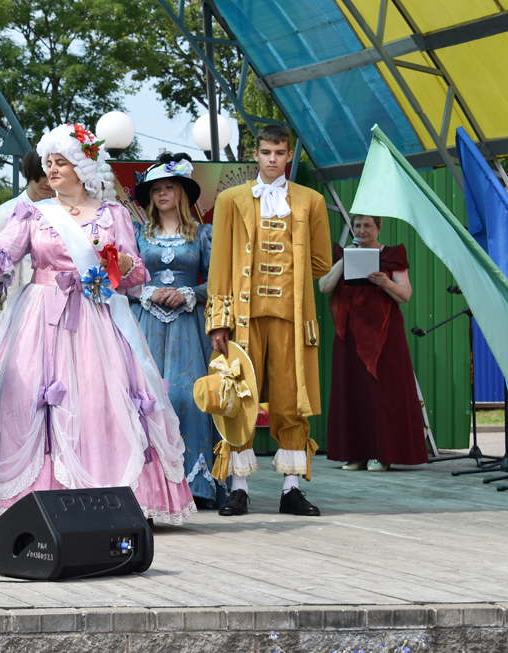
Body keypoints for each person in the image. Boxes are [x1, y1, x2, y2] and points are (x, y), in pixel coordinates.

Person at [0, 123, 196, 527]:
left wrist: (120, 262)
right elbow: (1, 249)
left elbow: (136, 276)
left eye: (60, 163)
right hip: (40, 319)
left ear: (82, 168)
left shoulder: (113, 215)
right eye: (48, 162)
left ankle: (114, 497)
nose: (51, 170)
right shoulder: (34, 212)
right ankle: (31, 502)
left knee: (100, 403)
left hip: (96, 320)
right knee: (29, 401)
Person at [206, 123, 331, 517]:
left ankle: (291, 489)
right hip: (244, 319)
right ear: (256, 154)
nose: (272, 159)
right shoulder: (230, 199)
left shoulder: (311, 201)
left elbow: (321, 262)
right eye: (265, 152)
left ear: (289, 155)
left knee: (292, 402)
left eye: (279, 153)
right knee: (238, 400)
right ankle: (238, 489)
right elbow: (220, 265)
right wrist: (219, 320)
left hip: (292, 320)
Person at [130, 154, 225, 509]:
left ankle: (195, 485)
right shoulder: (137, 235)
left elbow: (217, 282)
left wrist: (189, 293)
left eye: (169, 187)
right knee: (147, 398)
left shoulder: (202, 235)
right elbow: (121, 280)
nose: (162, 193)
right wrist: (148, 291)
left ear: (182, 192)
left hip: (188, 328)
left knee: (189, 397)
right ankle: (148, 487)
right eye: (156, 189)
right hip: (146, 325)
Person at [319, 214, 426, 471]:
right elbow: (324, 287)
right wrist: (345, 260)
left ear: (378, 228)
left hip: (384, 335)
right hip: (350, 336)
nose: (362, 230)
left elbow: (405, 294)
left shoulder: (390, 256)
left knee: (383, 393)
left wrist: (385, 282)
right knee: (353, 391)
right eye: (357, 225)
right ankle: (357, 454)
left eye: (368, 225)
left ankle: (383, 454)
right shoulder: (344, 255)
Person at [0, 150, 53, 328]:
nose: (47, 182)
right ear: (29, 172)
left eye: (53, 175)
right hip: (17, 321)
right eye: (41, 175)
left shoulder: (66, 216)